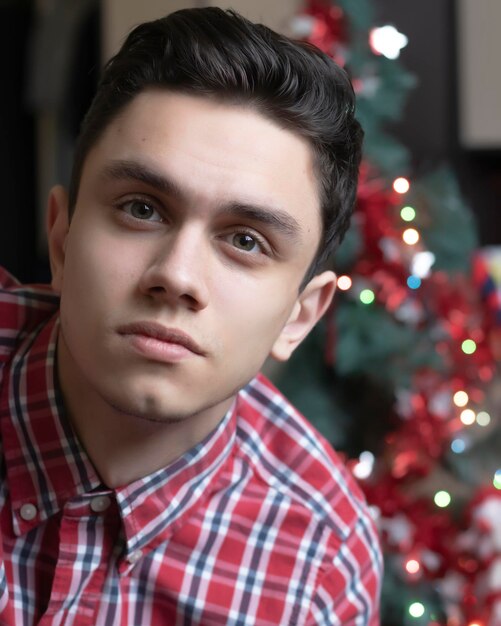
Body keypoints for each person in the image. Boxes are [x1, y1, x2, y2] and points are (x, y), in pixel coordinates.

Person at [0, 7, 382, 625]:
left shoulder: (320, 560)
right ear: (62, 239)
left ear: (300, 316)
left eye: (247, 240)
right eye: (142, 209)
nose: (176, 276)